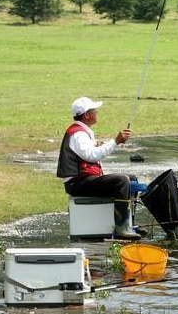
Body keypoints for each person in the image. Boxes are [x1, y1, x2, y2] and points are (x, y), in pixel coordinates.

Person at [56, 97, 140, 239]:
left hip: (83, 180)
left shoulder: (82, 132)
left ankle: (128, 224)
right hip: (77, 184)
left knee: (132, 179)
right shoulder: (79, 134)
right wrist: (115, 141)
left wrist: (104, 143)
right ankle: (121, 229)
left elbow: (91, 149)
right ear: (87, 115)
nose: (97, 113)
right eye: (94, 110)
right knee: (122, 180)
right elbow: (91, 156)